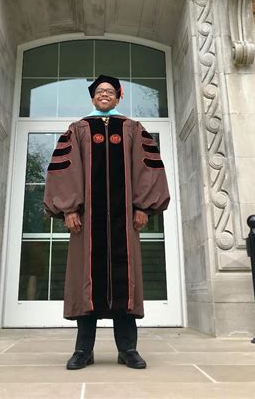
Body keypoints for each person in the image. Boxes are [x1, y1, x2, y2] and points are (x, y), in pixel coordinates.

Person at [43, 74, 170, 370]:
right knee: (86, 286)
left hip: (124, 223)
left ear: (118, 97)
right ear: (92, 98)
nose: (104, 95)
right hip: (87, 224)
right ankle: (83, 351)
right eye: (99, 91)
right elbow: (64, 169)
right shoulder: (77, 130)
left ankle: (128, 349)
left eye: (109, 91)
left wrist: (143, 207)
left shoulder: (132, 129)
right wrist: (69, 209)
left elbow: (147, 167)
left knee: (125, 288)